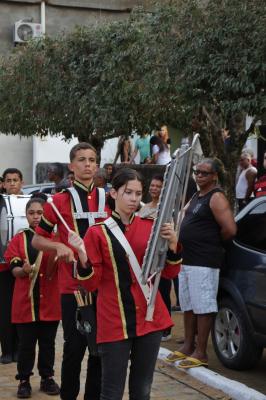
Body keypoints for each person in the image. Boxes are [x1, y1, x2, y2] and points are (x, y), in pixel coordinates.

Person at [74, 168, 182, 400]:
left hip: (149, 318)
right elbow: (91, 284)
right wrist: (83, 259)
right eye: (128, 192)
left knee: (142, 390)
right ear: (114, 193)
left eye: (138, 193)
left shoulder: (151, 226)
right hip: (114, 318)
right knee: (111, 392)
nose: (134, 199)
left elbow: (170, 272)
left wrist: (173, 243)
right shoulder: (97, 233)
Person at [32, 142, 109, 400]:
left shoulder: (108, 199)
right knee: (74, 349)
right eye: (82, 160)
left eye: (92, 159)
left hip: (103, 286)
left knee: (99, 350)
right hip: (71, 288)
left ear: (97, 165)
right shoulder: (57, 202)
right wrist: (57, 246)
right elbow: (37, 240)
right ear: (71, 166)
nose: (87, 164)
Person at [166, 158, 236, 368]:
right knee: (188, 305)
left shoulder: (216, 197)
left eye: (204, 173)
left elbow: (230, 230)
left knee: (203, 307)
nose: (199, 175)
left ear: (214, 176)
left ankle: (201, 352)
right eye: (197, 172)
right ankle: (188, 346)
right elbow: (183, 215)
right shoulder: (198, 195)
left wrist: (210, 241)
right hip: (187, 259)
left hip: (204, 261)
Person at [4, 196, 60, 399]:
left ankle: (47, 378)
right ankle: (24, 380)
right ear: (26, 216)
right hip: (26, 303)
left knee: (48, 343)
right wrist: (23, 270)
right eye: (32, 213)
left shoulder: (56, 239)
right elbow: (14, 269)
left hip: (50, 303)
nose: (36, 217)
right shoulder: (19, 239)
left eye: (40, 213)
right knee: (26, 345)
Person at [0, 168, 24, 364]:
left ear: (21, 182)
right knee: (5, 308)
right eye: (8, 181)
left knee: (23, 308)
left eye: (15, 180)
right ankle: (7, 350)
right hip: (3, 267)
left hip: (25, 264)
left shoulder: (29, 204)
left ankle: (21, 349)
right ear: (3, 184)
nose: (12, 184)